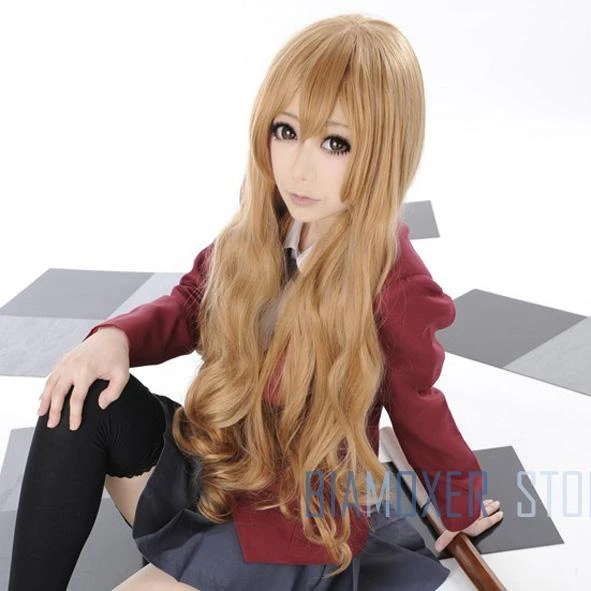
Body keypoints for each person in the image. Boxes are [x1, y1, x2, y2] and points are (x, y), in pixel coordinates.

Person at [8, 12, 503, 591]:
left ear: (383, 153)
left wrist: (460, 504)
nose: (299, 168)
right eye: (286, 131)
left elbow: (419, 409)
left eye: (335, 143)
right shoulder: (263, 224)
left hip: (291, 529)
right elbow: (191, 304)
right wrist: (116, 337)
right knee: (81, 394)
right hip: (214, 473)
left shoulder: (395, 283)